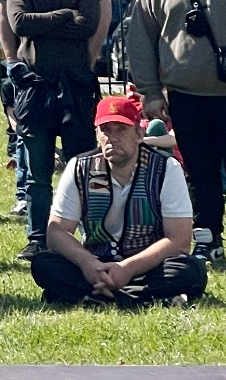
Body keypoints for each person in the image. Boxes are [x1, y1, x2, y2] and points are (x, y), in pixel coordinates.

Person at [125, 0, 226, 261]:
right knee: (200, 175)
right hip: (185, 95)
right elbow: (141, 39)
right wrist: (151, 93)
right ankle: (208, 239)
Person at [32, 95, 208, 305]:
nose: (112, 137)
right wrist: (88, 264)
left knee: (190, 270)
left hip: (147, 265)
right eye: (105, 129)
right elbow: (57, 232)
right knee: (43, 263)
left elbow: (179, 240)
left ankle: (92, 296)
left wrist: (127, 269)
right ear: (97, 134)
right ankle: (136, 297)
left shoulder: (166, 169)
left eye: (121, 129)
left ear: (139, 133)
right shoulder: (79, 167)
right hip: (96, 264)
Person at [5, 0, 102, 261]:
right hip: (35, 85)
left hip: (75, 85)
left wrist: (46, 22)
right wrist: (65, 15)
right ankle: (37, 238)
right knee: (36, 171)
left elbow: (89, 24)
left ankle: (90, 236)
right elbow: (19, 23)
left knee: (84, 166)